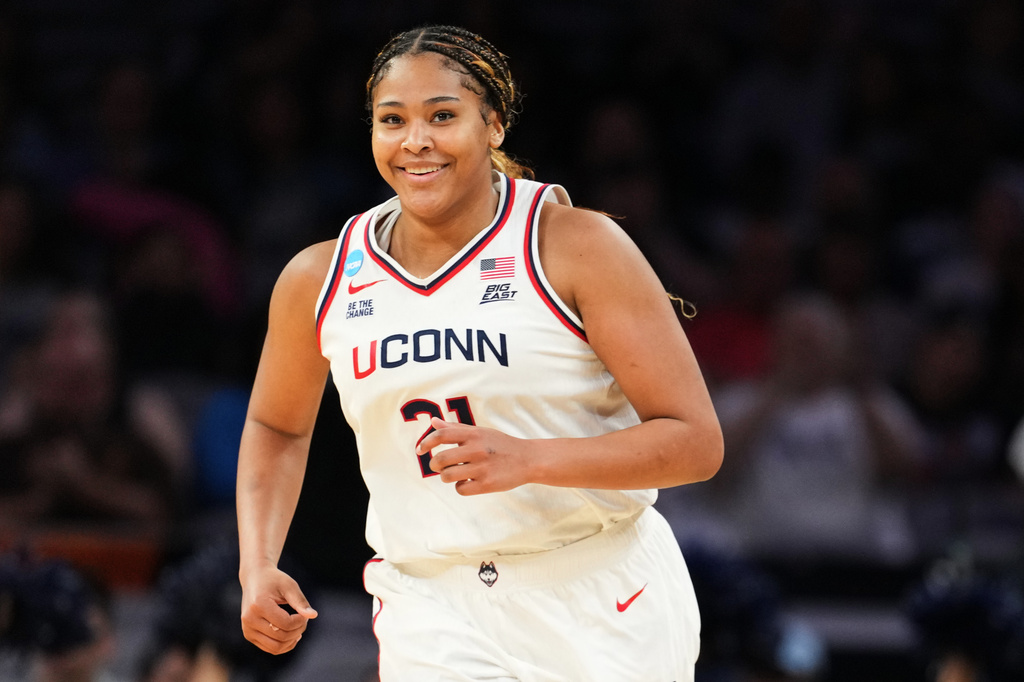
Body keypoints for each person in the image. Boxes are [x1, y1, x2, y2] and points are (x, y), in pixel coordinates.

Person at [236, 25, 723, 681]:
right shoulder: (318, 277)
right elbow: (276, 425)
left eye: (442, 115)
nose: (415, 140)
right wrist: (257, 563)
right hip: (432, 602)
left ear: (493, 124)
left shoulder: (576, 244)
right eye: (392, 119)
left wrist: (530, 458)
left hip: (600, 589)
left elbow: (695, 442)